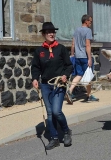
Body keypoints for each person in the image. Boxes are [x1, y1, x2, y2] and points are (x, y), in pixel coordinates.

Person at [31, 22, 73, 150]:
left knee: (56, 111)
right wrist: (34, 79)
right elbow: (35, 67)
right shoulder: (39, 51)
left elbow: (69, 65)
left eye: (53, 32)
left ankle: (66, 131)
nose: (51, 34)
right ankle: (54, 138)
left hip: (58, 84)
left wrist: (65, 75)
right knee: (50, 113)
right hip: (45, 85)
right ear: (43, 34)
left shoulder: (61, 48)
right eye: (48, 32)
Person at [67, 14, 99, 104]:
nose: (91, 23)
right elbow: (88, 45)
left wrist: (72, 54)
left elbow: (73, 44)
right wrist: (89, 58)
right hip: (85, 57)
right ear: (86, 21)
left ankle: (70, 90)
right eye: (90, 21)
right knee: (88, 76)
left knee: (79, 75)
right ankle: (89, 96)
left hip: (77, 56)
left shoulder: (76, 30)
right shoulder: (88, 31)